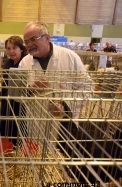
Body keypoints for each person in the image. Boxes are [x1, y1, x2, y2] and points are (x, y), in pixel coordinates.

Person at [19, 21, 92, 155]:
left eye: (33, 39)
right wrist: (30, 88)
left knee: (61, 165)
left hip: (64, 125)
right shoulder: (25, 62)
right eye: (26, 41)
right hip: (36, 125)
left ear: (47, 38)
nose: (29, 45)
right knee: (35, 166)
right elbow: (17, 97)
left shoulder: (69, 57)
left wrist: (65, 105)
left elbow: (88, 89)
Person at [0, 36, 28, 146]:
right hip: (7, 104)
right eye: (8, 48)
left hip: (20, 106)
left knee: (18, 133)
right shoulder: (8, 64)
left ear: (21, 49)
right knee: (5, 131)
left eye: (14, 48)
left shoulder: (25, 63)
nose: (11, 51)